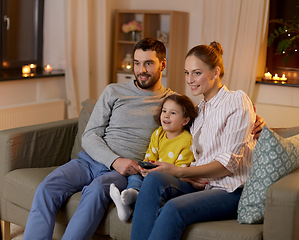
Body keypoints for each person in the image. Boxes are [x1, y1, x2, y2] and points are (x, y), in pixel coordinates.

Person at [22, 38, 173, 240]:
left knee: (94, 192)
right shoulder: (114, 91)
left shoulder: (170, 103)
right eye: (137, 63)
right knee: (46, 188)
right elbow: (90, 135)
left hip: (125, 172)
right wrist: (113, 160)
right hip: (89, 161)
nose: (141, 70)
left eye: (149, 63)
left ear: (163, 64)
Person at [130, 41, 259, 240]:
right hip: (200, 185)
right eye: (186, 73)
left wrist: (181, 171)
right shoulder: (197, 111)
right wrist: (186, 174)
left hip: (229, 190)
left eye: (196, 73)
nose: (190, 79)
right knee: (155, 178)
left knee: (173, 208)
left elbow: (229, 164)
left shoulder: (236, 100)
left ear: (215, 72)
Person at [110, 94, 198, 221]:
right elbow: (150, 157)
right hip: (152, 173)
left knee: (153, 181)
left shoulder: (187, 141)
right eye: (164, 111)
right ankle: (131, 196)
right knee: (135, 174)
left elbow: (180, 171)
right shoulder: (158, 133)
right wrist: (145, 168)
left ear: (185, 121)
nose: (166, 115)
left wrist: (154, 172)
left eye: (173, 113)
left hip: (169, 180)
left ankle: (132, 201)